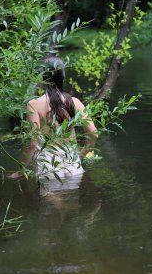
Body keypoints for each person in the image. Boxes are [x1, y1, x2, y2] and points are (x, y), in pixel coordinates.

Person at [8, 57, 98, 190]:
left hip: (48, 171)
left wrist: (21, 171)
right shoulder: (75, 102)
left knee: (50, 204)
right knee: (72, 209)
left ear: (43, 77)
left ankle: (59, 204)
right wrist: (80, 156)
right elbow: (94, 134)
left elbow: (32, 143)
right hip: (74, 168)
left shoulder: (34, 105)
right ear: (63, 76)